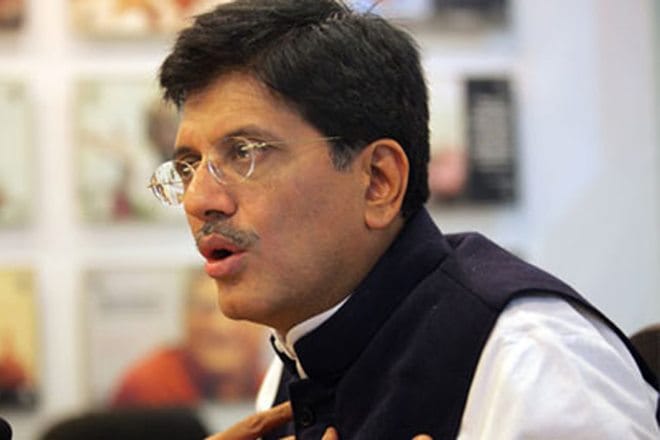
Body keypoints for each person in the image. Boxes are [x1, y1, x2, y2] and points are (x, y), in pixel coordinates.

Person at [147, 0, 660, 438]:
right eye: (188, 166)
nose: (199, 200)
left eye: (244, 152)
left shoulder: (534, 363)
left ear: (379, 180)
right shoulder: (295, 361)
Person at [111, 271, 266, 407]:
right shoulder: (149, 384)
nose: (220, 327)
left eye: (236, 311)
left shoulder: (270, 383)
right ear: (185, 317)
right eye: (205, 310)